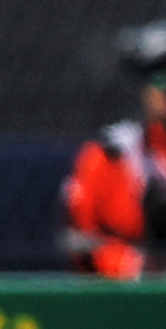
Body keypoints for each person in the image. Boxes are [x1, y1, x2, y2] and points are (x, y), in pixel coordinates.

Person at [64, 25, 166, 276]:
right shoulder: (111, 155)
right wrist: (137, 267)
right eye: (159, 79)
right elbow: (80, 242)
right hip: (130, 296)